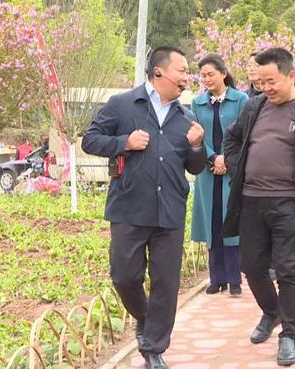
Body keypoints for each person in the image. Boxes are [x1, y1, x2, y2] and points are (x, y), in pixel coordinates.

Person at [81, 46, 207, 369]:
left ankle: (153, 348)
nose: (186, 77)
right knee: (124, 276)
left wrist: (197, 146)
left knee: (166, 282)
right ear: (159, 71)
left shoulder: (187, 117)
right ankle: (145, 316)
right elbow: (90, 140)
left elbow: (195, 167)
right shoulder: (123, 105)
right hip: (129, 208)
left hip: (170, 211)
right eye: (182, 70)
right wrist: (124, 142)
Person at [222, 47, 295, 367]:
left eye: (271, 81)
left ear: (291, 76)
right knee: (252, 267)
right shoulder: (254, 107)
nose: (266, 88)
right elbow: (232, 140)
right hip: (252, 202)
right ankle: (271, 312)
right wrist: (235, 167)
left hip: (291, 204)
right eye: (260, 82)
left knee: (287, 269)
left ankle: (289, 335)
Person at [191, 54, 249, 296]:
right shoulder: (197, 103)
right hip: (208, 170)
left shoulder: (241, 100)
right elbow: (195, 135)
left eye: (210, 74)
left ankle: (235, 279)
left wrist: (227, 158)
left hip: (232, 170)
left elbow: (245, 134)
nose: (207, 79)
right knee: (212, 222)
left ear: (223, 74)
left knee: (231, 219)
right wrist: (213, 157)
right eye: (203, 76)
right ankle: (216, 278)